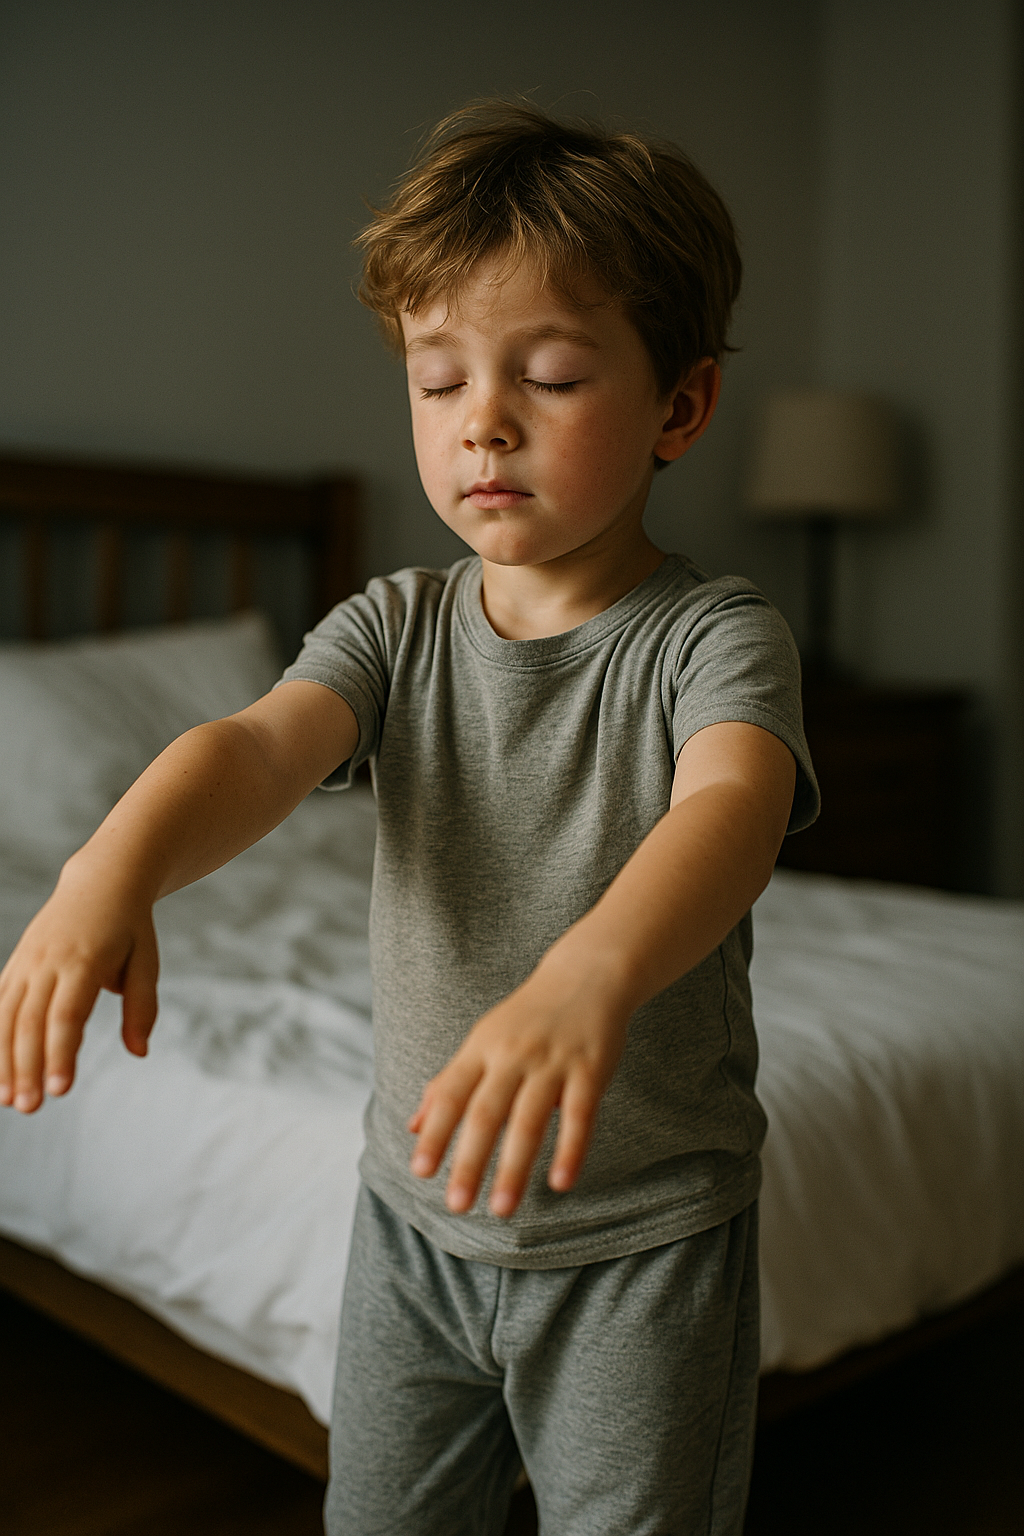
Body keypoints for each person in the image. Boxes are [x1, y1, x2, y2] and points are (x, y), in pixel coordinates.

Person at [0, 102, 818, 1535]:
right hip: (412, 1228)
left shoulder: (712, 638)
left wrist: (590, 971)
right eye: (438, 381)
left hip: (641, 1242)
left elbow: (734, 805)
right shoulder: (393, 625)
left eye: (551, 376)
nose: (482, 419)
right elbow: (255, 750)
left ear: (679, 407)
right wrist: (104, 869)